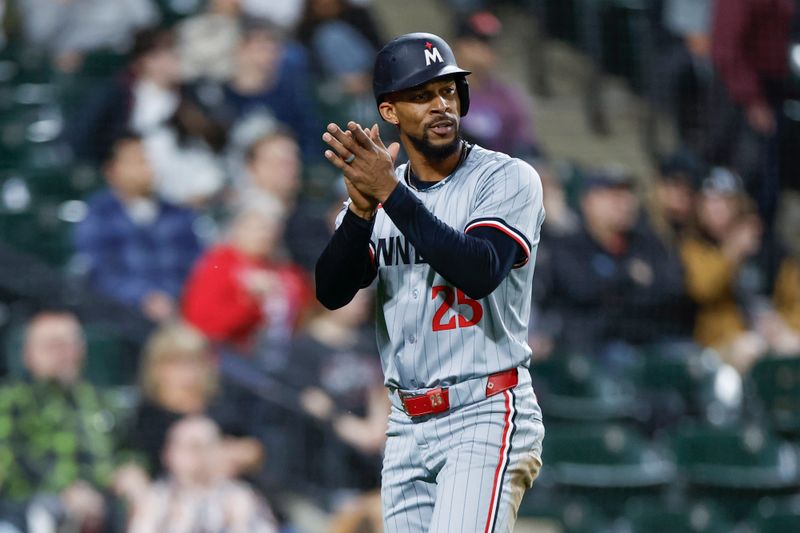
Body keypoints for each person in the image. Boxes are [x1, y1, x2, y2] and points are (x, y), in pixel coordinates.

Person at [315, 32, 545, 532]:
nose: (441, 105)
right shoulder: (381, 191)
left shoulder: (505, 178)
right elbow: (331, 292)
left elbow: (478, 270)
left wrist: (389, 195)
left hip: (484, 408)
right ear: (390, 112)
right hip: (406, 423)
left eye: (448, 91)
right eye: (421, 96)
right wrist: (359, 212)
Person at [535, 168, 692, 358]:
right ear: (588, 202)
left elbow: (674, 289)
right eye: (613, 196)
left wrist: (615, 287)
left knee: (696, 360)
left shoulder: (647, 242)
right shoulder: (569, 245)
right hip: (593, 350)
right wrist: (628, 277)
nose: (624, 203)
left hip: (651, 340)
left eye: (628, 195)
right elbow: (579, 290)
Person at [0, 312, 132, 532]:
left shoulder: (102, 401)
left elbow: (127, 448)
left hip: (103, 505)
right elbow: (11, 458)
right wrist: (64, 491)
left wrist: (131, 470)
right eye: (51, 345)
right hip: (28, 507)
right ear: (28, 354)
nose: (61, 354)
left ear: (82, 351)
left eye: (68, 344)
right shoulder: (10, 400)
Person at [73, 133, 202, 323]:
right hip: (123, 319)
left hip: (179, 314)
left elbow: (197, 266)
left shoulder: (178, 214)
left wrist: (169, 295)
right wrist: (144, 297)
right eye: (135, 161)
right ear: (112, 171)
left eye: (147, 160)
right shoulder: (98, 216)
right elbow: (101, 272)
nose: (146, 168)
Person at [289, 289, 388, 504]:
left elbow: (381, 391)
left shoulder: (371, 339)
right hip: (328, 466)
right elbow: (313, 402)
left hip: (372, 463)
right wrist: (357, 431)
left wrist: (375, 430)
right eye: (355, 293)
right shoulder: (303, 347)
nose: (363, 300)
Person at [130, 322, 264, 479]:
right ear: (157, 368)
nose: (188, 372)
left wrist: (238, 453)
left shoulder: (222, 400)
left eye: (194, 362)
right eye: (177, 363)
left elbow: (255, 448)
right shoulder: (149, 414)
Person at [182, 201, 311, 354]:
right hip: (229, 354)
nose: (266, 235)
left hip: (282, 355)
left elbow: (308, 313)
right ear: (238, 229)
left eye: (271, 228)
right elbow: (201, 324)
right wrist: (248, 300)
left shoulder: (286, 271)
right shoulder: (218, 265)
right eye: (259, 228)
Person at [127, 416, 278, 533]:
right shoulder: (154, 500)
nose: (186, 455)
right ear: (167, 454)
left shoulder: (240, 498)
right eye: (179, 445)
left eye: (198, 447)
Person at [452, 11, 539, 157]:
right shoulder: (440, 92)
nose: (489, 50)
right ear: (461, 45)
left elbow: (525, 146)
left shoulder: (507, 96)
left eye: (491, 43)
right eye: (481, 41)